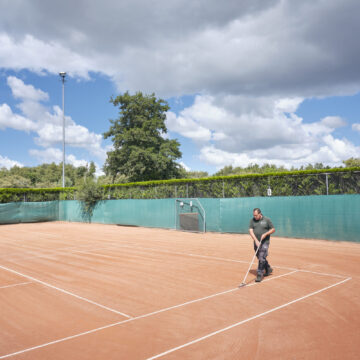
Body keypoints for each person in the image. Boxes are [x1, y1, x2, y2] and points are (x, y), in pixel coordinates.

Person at [249, 208, 275, 282]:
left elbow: (273, 229)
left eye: (256, 215)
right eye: (254, 215)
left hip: (265, 242)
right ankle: (268, 268)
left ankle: (259, 274)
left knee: (261, 257)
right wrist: (256, 240)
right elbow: (251, 231)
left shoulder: (267, 220)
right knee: (260, 257)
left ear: (260, 214)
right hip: (256, 242)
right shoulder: (252, 220)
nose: (255, 217)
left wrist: (266, 234)